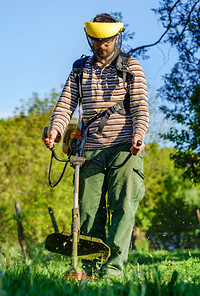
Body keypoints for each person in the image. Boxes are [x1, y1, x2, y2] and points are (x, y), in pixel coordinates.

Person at [43, 13, 149, 278]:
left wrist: (139, 135)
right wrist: (56, 129)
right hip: (89, 148)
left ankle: (113, 268)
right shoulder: (80, 68)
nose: (101, 45)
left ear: (116, 38)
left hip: (125, 146)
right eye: (96, 40)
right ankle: (89, 267)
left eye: (107, 40)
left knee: (122, 206)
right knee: (89, 210)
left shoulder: (130, 66)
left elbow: (140, 106)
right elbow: (66, 103)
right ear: (89, 38)